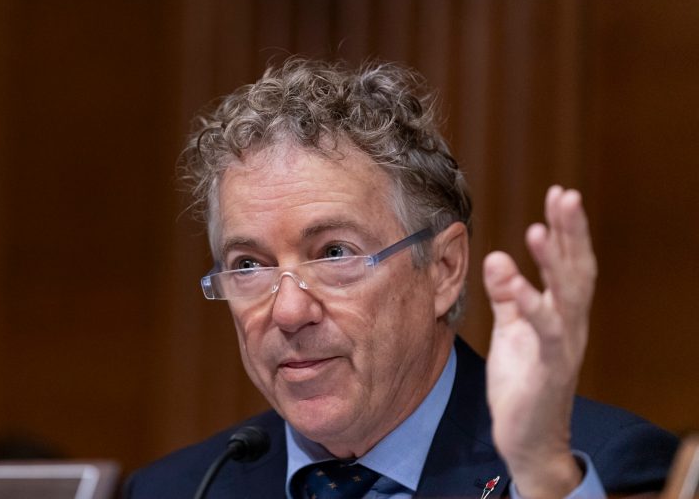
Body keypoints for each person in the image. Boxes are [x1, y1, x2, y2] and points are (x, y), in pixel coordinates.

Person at [125, 58, 678, 498]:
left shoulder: (598, 470)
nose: (289, 312)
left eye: (335, 253)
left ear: (444, 269)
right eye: (249, 265)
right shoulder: (179, 488)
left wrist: (544, 477)